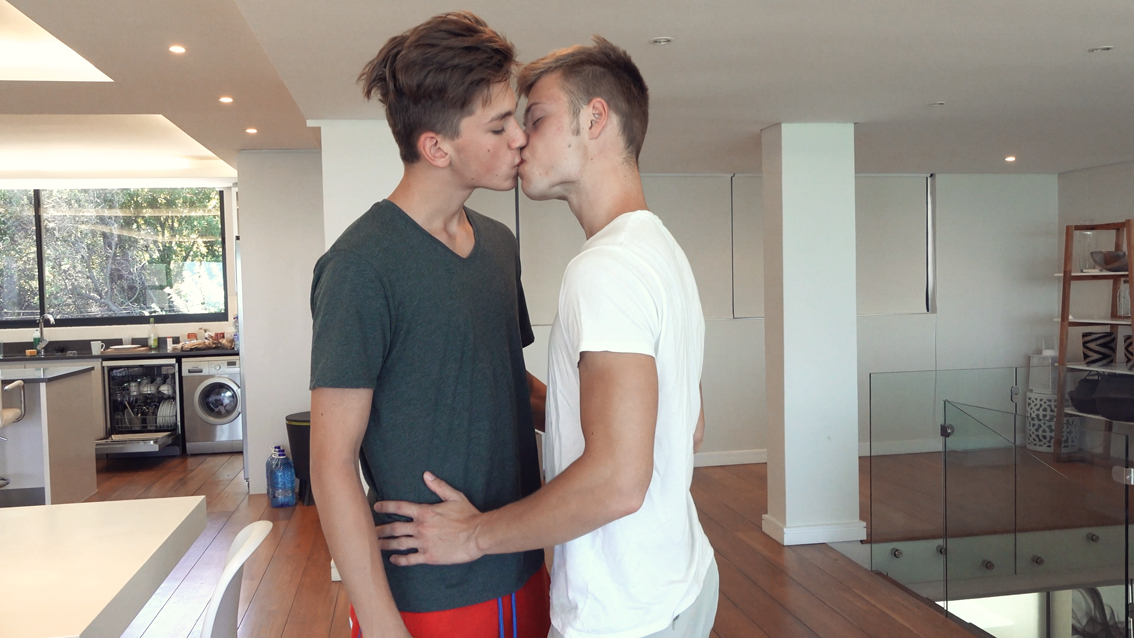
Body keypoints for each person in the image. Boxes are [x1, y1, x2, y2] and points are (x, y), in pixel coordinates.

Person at [374, 36, 718, 638]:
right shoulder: (659, 248)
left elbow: (617, 481)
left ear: (595, 118)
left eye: (535, 118)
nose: (520, 138)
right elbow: (686, 422)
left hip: (624, 616)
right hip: (682, 581)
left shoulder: (605, 270)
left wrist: (473, 535)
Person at [308, 12, 550, 638]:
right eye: (498, 125)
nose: (520, 137)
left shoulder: (499, 244)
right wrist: (382, 626)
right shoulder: (359, 266)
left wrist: (619, 427)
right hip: (428, 596)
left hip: (522, 562)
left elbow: (505, 381)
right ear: (436, 147)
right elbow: (331, 463)